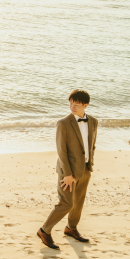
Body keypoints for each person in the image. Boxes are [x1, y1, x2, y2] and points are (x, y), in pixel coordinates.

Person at [37, 89, 98, 250]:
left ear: (86, 105)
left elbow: (91, 145)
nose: (72, 107)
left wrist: (89, 165)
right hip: (68, 171)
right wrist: (68, 174)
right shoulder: (63, 123)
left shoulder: (93, 122)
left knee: (78, 202)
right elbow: (61, 151)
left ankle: (71, 228)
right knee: (66, 203)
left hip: (85, 168)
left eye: (76, 104)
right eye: (70, 103)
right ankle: (44, 230)